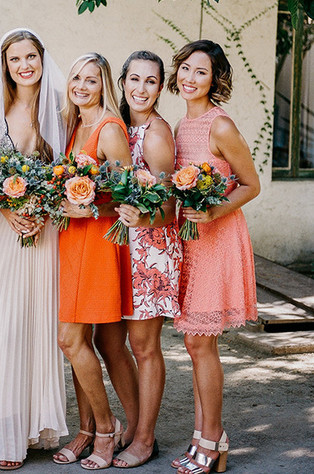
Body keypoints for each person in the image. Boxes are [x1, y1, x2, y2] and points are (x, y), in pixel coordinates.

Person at [0, 28, 68, 471]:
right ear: (4, 65)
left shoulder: (62, 108)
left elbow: (67, 170)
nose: (24, 65)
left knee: (35, 325)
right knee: (0, 328)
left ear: (42, 59)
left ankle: (32, 429)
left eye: (31, 56)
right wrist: (8, 211)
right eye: (15, 59)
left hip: (44, 232)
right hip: (1, 229)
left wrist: (43, 210)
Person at [167, 40, 260, 474]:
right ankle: (205, 436)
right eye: (185, 68)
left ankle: (212, 440)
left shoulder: (219, 126)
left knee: (202, 342)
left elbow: (250, 184)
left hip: (217, 238)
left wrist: (212, 210)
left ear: (214, 79)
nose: (189, 77)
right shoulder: (180, 125)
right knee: (192, 342)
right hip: (189, 241)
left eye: (200, 72)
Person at [55, 53, 138, 471]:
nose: (82, 86)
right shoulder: (75, 125)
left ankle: (106, 428)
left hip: (98, 243)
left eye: (91, 80)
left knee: (70, 339)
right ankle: (86, 429)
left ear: (104, 84)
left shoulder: (108, 128)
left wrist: (90, 211)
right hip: (71, 242)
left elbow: (128, 197)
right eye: (76, 78)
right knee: (78, 343)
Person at [111, 50, 182, 469]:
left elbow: (171, 206)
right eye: (134, 80)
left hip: (151, 251)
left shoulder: (155, 133)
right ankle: (137, 425)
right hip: (119, 246)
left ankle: (144, 438)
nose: (141, 89)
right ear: (122, 82)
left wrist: (142, 215)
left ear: (160, 87)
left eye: (150, 81)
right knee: (110, 341)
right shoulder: (118, 125)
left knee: (144, 346)